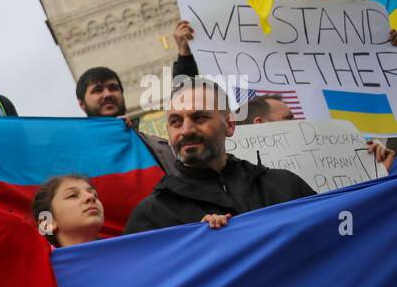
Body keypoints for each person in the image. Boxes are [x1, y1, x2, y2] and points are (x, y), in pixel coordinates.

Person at [124, 78, 315, 234]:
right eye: (176, 121)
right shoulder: (152, 217)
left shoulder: (286, 186)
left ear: (230, 125)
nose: (186, 130)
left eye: (199, 117)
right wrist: (195, 242)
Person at [76, 66, 177, 175]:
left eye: (113, 88)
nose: (107, 94)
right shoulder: (79, 158)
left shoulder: (160, 146)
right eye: (98, 90)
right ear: (82, 104)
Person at [31, 175, 104, 247]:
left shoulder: (115, 250)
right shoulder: (40, 258)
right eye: (73, 195)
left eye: (95, 194)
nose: (91, 196)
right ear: (46, 223)